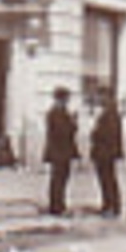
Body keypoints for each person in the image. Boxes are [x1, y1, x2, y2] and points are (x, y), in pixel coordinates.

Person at [42, 86, 77, 216]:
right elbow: (62, 132)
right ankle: (57, 206)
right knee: (59, 179)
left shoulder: (59, 112)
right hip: (60, 152)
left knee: (60, 179)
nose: (67, 101)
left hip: (61, 151)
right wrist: (73, 123)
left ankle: (58, 204)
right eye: (66, 98)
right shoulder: (56, 113)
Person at [90, 94, 124, 217]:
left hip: (105, 153)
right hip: (107, 153)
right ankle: (110, 205)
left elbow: (105, 134)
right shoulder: (112, 114)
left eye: (102, 99)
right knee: (108, 180)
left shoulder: (108, 115)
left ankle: (111, 206)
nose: (100, 101)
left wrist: (94, 133)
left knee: (107, 180)